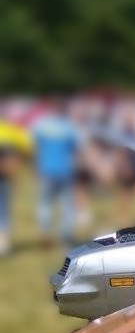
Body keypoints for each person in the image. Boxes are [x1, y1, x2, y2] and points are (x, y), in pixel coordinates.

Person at [32, 101, 80, 245]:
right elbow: (75, 148)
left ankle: (44, 232)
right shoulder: (69, 127)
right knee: (67, 203)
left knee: (44, 202)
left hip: (46, 169)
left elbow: (36, 147)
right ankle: (65, 234)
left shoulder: (41, 126)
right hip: (65, 170)